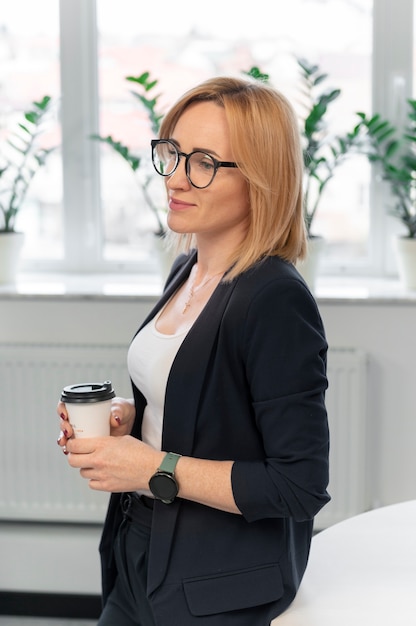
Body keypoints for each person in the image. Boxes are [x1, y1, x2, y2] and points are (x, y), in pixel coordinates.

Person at [57, 76, 330, 626]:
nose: (176, 178)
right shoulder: (189, 269)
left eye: (204, 161)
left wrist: (152, 466)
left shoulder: (273, 298)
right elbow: (214, 408)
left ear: (261, 180)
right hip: (142, 551)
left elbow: (298, 486)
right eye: (173, 153)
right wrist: (132, 422)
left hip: (215, 584)